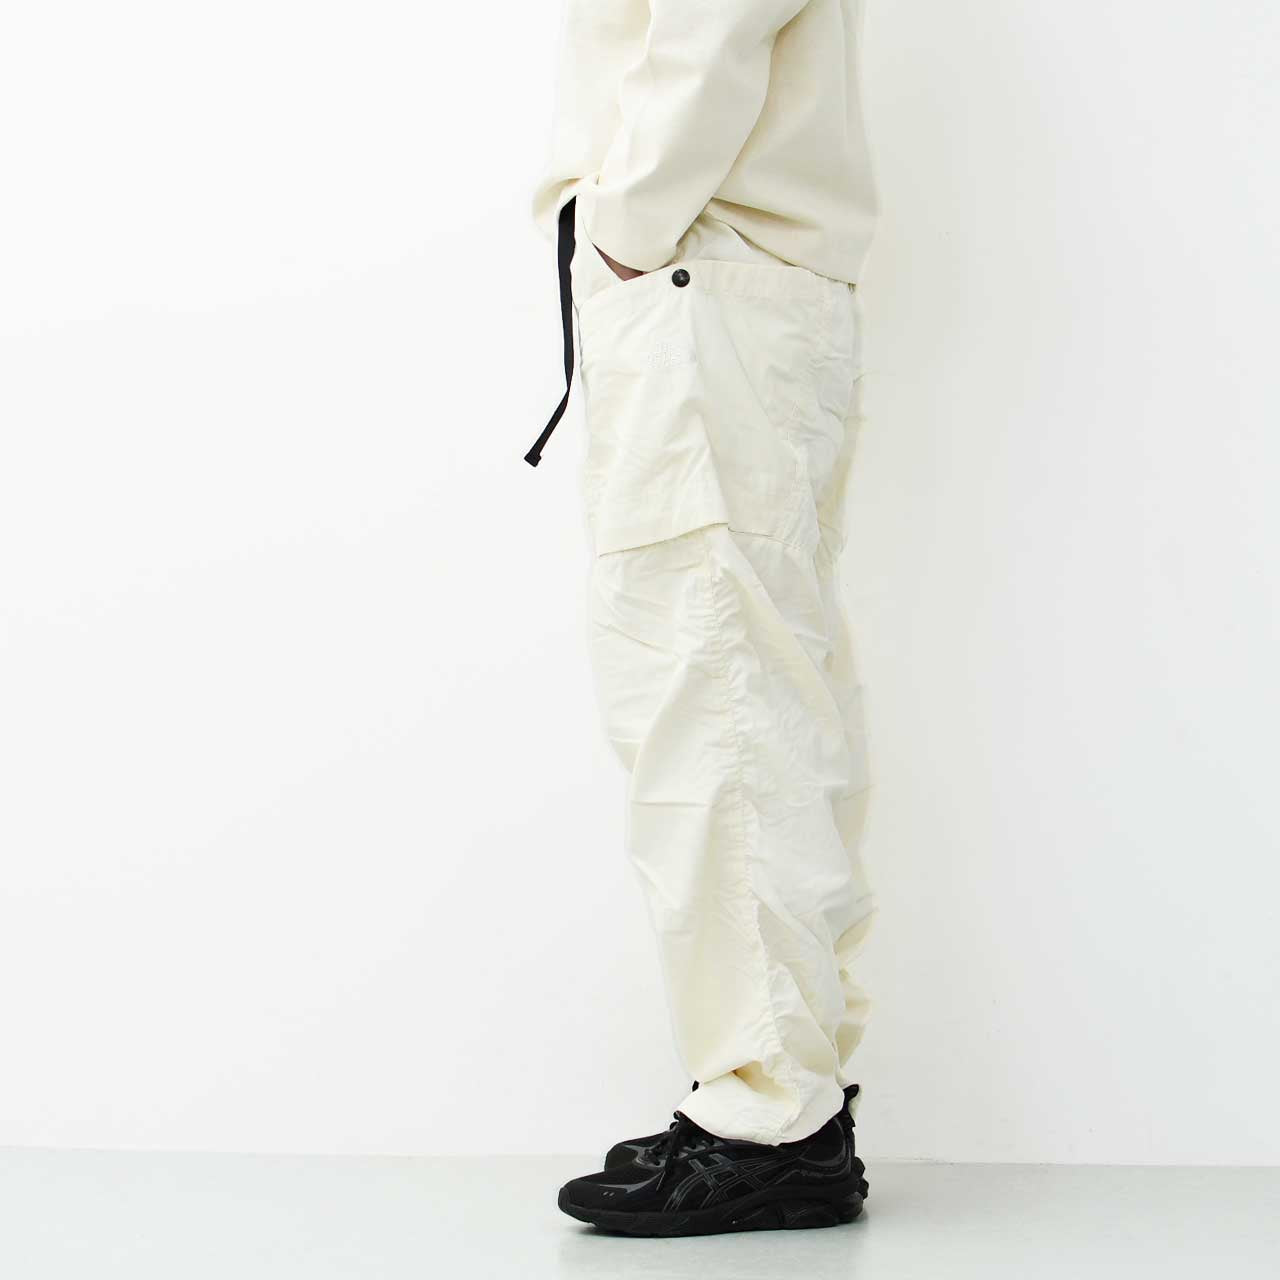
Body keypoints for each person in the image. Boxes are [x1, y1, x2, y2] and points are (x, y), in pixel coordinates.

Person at [528, 0, 878, 1237]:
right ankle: (783, 1095)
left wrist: (623, 224)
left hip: (697, 267)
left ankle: (767, 1116)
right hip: (725, 275)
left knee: (715, 697)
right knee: (760, 697)